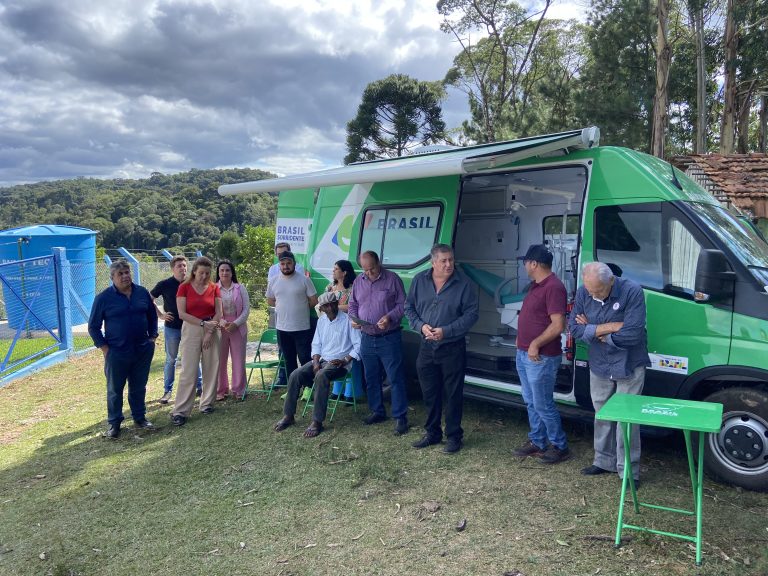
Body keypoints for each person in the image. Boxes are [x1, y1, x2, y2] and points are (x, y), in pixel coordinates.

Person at [569, 261, 650, 483]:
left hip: (629, 363)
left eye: (599, 291)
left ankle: (629, 471)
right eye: (590, 291)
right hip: (600, 363)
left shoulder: (632, 291)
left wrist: (592, 329)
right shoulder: (584, 291)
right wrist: (612, 327)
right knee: (602, 415)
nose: (593, 295)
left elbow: (633, 334)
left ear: (611, 280)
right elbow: (574, 328)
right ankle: (603, 461)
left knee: (627, 419)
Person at [405, 244, 478, 454]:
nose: (448, 264)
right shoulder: (419, 280)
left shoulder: (464, 283)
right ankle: (432, 433)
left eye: (451, 260)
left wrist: (446, 331)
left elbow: (472, 314)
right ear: (433, 262)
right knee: (429, 392)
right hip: (426, 347)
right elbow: (409, 307)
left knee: (453, 394)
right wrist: (421, 326)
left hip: (452, 347)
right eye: (443, 261)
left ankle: (454, 436)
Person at [512, 244, 571, 464]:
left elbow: (558, 325)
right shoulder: (536, 285)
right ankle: (537, 441)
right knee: (531, 401)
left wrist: (535, 344)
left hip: (541, 356)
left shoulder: (554, 287)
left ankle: (560, 446)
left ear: (534, 264)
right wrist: (521, 339)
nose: (525, 265)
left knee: (543, 404)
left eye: (526, 262)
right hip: (525, 353)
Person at [273, 292, 361, 438]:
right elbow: (316, 344)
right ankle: (289, 415)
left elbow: (358, 345)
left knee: (321, 375)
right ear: (321, 308)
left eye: (333, 304)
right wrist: (315, 362)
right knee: (295, 374)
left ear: (337, 303)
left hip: (340, 362)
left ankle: (317, 421)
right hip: (322, 360)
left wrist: (345, 360)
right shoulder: (321, 321)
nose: (331, 308)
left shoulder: (348, 320)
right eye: (326, 306)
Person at [88, 260, 158, 439]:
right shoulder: (103, 298)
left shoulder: (142, 292)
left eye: (127, 272)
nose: (125, 276)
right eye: (121, 274)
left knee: (139, 386)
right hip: (117, 352)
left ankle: (140, 418)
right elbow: (93, 327)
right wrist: (105, 348)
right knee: (115, 389)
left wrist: (152, 337)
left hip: (142, 349)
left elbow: (152, 316)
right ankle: (114, 424)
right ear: (112, 277)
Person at [348, 250, 409, 435]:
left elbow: (403, 304)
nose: (369, 273)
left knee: (395, 378)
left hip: (389, 337)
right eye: (365, 270)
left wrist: (389, 317)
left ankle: (400, 417)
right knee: (371, 377)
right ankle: (377, 411)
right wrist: (354, 319)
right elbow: (353, 304)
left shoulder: (392, 279)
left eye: (372, 268)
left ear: (379, 263)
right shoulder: (359, 281)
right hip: (367, 337)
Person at [171, 256, 222, 426]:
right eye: (201, 273)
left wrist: (209, 331)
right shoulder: (184, 287)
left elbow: (219, 312)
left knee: (211, 367)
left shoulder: (214, 287)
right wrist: (202, 324)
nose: (204, 276)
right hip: (192, 328)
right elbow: (181, 313)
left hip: (212, 328)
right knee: (189, 370)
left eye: (207, 273)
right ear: (194, 272)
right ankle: (181, 411)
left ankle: (207, 404)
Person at [150, 255, 202, 404]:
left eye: (184, 265)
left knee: (193, 357)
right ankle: (167, 391)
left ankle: (200, 387)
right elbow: (149, 298)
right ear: (172, 268)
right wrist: (160, 315)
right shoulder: (164, 284)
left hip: (190, 327)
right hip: (172, 328)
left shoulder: (193, 283)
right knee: (171, 359)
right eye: (179, 266)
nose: (183, 268)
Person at [265, 251, 318, 380]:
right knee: (288, 359)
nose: (286, 266)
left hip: (302, 327)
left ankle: (308, 386)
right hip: (282, 328)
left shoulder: (304, 280)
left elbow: (314, 300)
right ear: (279, 265)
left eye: (288, 263)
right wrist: (284, 306)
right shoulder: (273, 281)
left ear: (294, 263)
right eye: (283, 264)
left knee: (305, 358)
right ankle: (293, 386)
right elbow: (270, 300)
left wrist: (300, 308)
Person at [215, 259, 251, 400]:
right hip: (220, 328)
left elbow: (246, 309)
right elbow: (211, 309)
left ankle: (239, 390)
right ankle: (220, 390)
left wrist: (235, 323)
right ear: (218, 273)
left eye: (227, 270)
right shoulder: (213, 288)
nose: (224, 272)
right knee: (220, 360)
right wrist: (223, 322)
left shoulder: (240, 288)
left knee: (238, 360)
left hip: (238, 328)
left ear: (232, 272)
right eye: (222, 270)